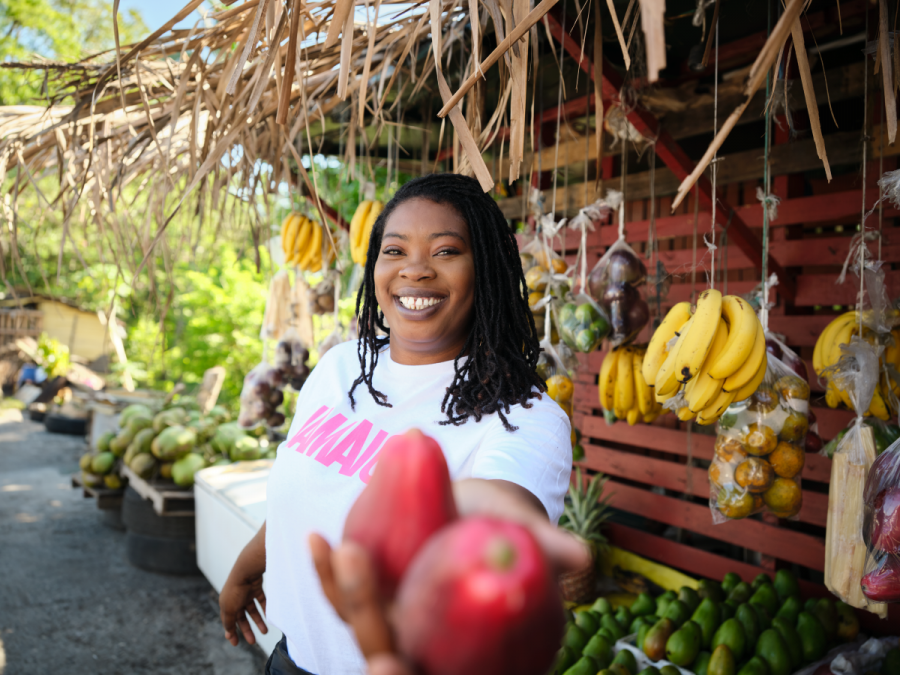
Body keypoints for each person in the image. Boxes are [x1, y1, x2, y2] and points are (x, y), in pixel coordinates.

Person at [219, 174, 586, 675]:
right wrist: (246, 567)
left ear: (487, 270)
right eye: (395, 250)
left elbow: (498, 515)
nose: (415, 270)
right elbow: (311, 483)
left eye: (446, 251)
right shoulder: (340, 369)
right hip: (290, 660)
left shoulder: (524, 415)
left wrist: (487, 518)